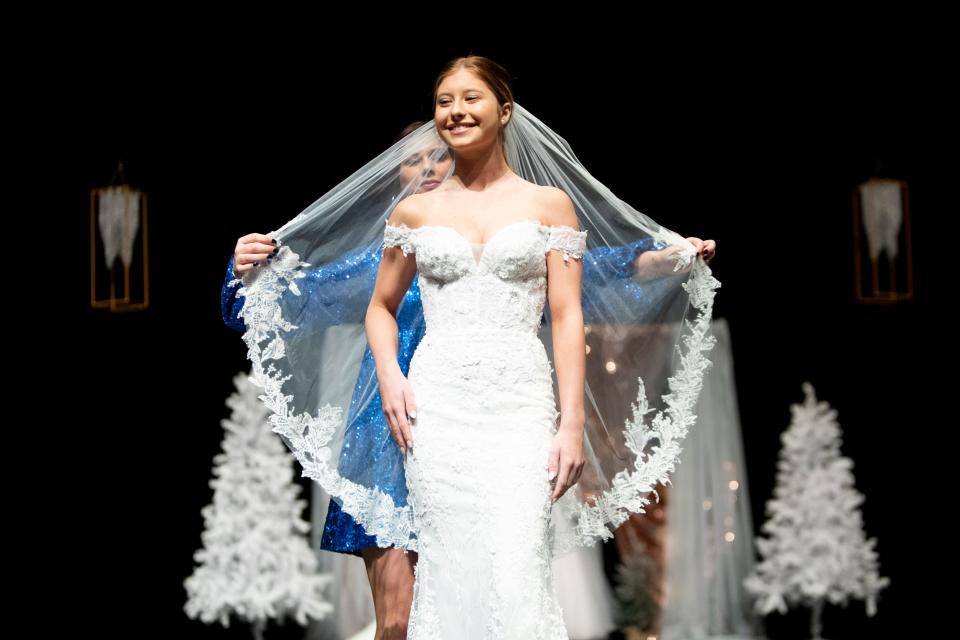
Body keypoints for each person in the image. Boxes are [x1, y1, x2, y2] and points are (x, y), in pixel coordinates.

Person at [227, 55, 721, 638]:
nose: (451, 123)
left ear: (505, 111)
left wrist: (661, 261)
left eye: (470, 101)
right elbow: (318, 297)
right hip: (409, 421)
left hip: (515, 403)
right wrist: (245, 272)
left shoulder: (544, 206)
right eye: (443, 107)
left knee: (515, 570)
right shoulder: (411, 224)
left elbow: (582, 292)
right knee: (402, 615)